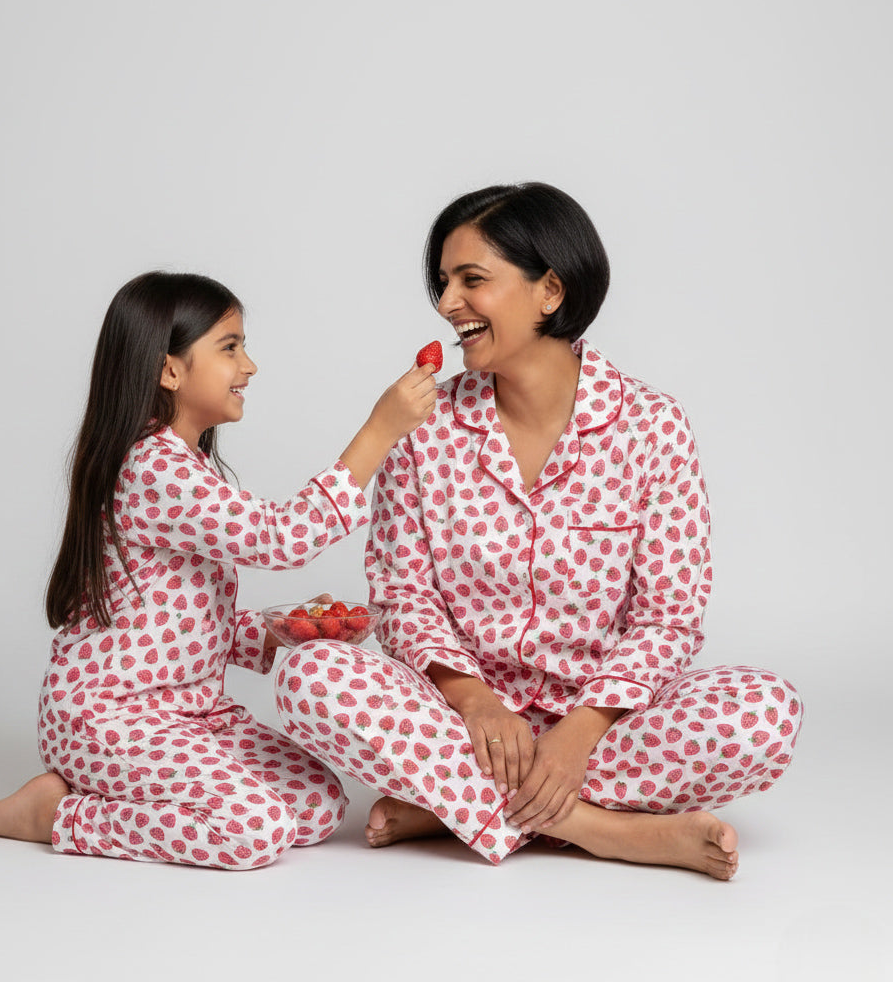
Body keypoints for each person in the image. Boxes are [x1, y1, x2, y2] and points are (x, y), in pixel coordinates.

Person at [276, 183, 802, 879]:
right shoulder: (422, 424)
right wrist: (476, 702)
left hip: (605, 722)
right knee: (311, 675)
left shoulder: (653, 425)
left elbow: (669, 620)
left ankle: (450, 808)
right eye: (443, 283)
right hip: (463, 722)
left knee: (766, 714)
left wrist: (579, 736)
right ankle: (600, 830)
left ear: (549, 290)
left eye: (472, 280)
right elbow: (405, 598)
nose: (446, 304)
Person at [0, 271, 437, 869]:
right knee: (256, 831)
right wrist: (379, 431)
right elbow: (279, 538)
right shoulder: (153, 466)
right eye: (230, 347)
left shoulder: (188, 464)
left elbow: (179, 616)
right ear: (170, 370)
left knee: (316, 806)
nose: (250, 365)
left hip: (191, 711)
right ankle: (55, 815)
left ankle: (121, 794)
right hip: (109, 714)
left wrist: (289, 629)